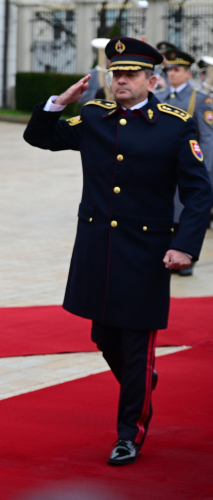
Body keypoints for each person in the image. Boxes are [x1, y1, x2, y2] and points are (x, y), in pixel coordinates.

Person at [23, 37, 213, 466]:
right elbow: (39, 138)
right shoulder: (93, 117)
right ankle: (140, 378)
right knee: (102, 335)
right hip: (97, 248)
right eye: (116, 74)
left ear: (152, 80)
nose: (121, 81)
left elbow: (200, 193)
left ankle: (130, 433)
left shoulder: (173, 123)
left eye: (130, 75)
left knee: (135, 342)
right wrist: (59, 101)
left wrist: (185, 246)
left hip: (146, 252)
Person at [158, 49, 213, 276]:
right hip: (161, 169)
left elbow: (208, 138)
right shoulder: (158, 98)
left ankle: (186, 256)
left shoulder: (200, 100)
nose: (172, 73)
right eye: (169, 69)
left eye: (177, 69)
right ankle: (167, 255)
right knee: (166, 213)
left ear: (188, 74)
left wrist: (206, 171)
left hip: (186, 167)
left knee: (185, 212)